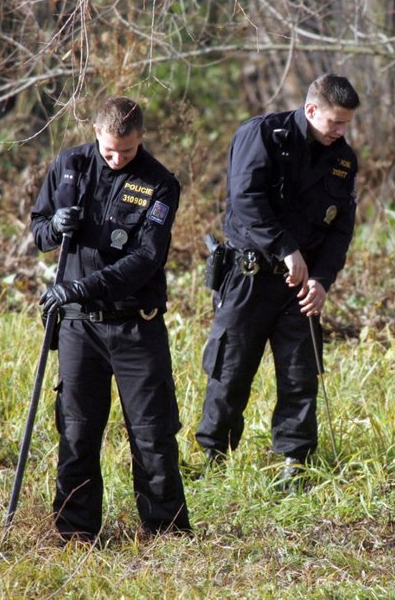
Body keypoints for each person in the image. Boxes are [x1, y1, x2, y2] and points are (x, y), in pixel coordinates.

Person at [30, 95, 190, 541]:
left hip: (136, 325)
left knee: (153, 434)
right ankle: (75, 532)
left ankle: (166, 532)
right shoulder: (69, 165)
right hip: (80, 326)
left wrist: (80, 287)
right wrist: (54, 225)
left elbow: (146, 258)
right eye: (109, 149)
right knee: (77, 431)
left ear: (141, 138)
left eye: (127, 150)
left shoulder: (160, 183)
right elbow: (38, 230)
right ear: (97, 133)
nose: (117, 158)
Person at [195, 73, 361, 485]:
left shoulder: (342, 159)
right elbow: (246, 201)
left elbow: (340, 229)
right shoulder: (263, 135)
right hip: (251, 275)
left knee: (299, 375)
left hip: (300, 287)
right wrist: (286, 249)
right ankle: (214, 460)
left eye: (346, 124)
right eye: (334, 123)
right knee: (230, 371)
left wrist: (322, 280)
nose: (340, 132)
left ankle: (295, 463)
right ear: (311, 110)